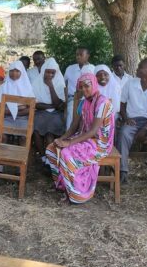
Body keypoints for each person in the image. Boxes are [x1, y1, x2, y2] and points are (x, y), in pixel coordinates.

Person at [46, 73, 114, 204]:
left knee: (66, 153)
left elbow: (94, 131)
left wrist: (69, 142)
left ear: (94, 84)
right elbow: (73, 126)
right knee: (51, 149)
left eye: (87, 86)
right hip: (85, 137)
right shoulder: (83, 103)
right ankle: (62, 186)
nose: (84, 90)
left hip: (100, 142)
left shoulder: (102, 103)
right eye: (81, 87)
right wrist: (61, 139)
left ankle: (75, 194)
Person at [117, 59, 147, 184]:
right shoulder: (131, 83)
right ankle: (123, 171)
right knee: (123, 133)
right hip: (133, 120)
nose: (137, 69)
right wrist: (126, 118)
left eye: (141, 67)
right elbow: (121, 104)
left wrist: (145, 129)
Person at [32, 58, 65, 166]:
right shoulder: (37, 82)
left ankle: (51, 159)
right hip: (40, 112)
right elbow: (36, 104)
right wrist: (52, 106)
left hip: (56, 113)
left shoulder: (60, 81)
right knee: (36, 129)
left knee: (50, 131)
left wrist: (50, 85)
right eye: (47, 72)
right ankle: (43, 156)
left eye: (52, 73)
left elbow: (59, 104)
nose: (50, 75)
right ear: (43, 70)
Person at [0, 61, 35, 145]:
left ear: (22, 72)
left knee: (24, 137)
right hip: (6, 118)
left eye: (17, 71)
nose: (14, 73)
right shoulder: (3, 87)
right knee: (2, 135)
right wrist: (19, 108)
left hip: (23, 119)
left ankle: (22, 157)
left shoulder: (28, 88)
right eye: (12, 71)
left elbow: (31, 109)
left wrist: (11, 110)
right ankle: (4, 157)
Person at [64, 47, 95, 129]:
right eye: (77, 54)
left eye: (81, 55)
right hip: (73, 98)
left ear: (87, 56)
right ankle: (68, 137)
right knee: (71, 113)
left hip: (88, 99)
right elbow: (65, 86)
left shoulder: (93, 69)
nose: (78, 57)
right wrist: (65, 104)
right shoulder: (70, 68)